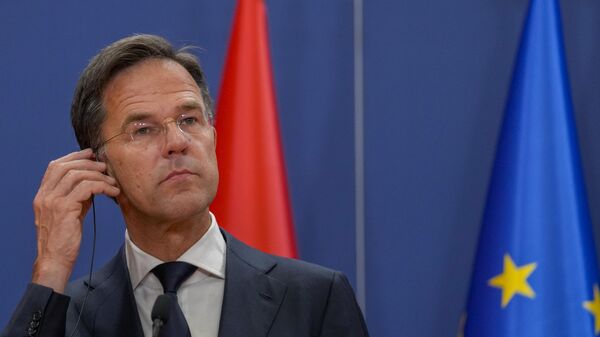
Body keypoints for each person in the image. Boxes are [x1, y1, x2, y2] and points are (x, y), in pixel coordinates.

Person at [1, 34, 369, 337]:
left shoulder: (314, 300)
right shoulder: (67, 316)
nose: (177, 142)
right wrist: (51, 267)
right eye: (143, 130)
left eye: (189, 119)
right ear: (100, 166)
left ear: (212, 134)